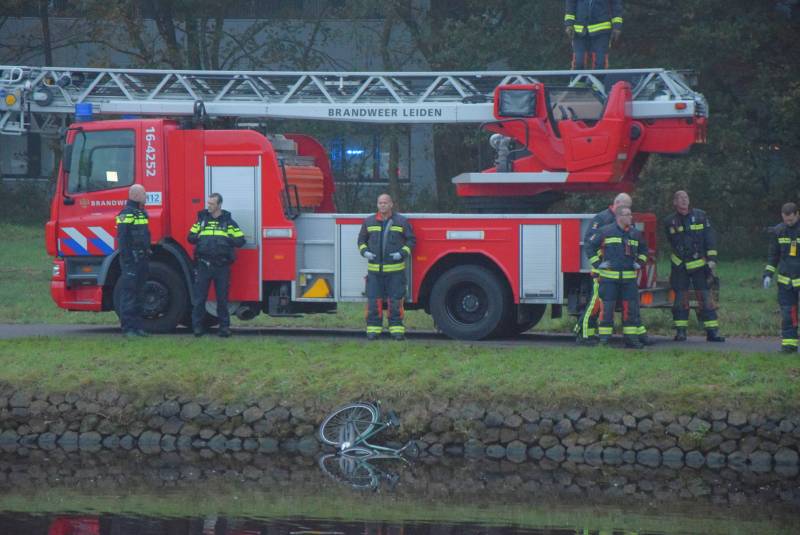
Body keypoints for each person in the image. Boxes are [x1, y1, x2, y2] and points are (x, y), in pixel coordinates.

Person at [577, 193, 648, 345]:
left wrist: (639, 263)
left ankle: (635, 336)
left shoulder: (631, 228)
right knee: (598, 306)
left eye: (629, 208)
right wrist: (598, 264)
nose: (629, 212)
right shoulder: (602, 219)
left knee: (629, 307)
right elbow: (590, 244)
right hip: (605, 273)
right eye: (626, 208)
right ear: (617, 204)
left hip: (625, 276)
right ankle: (584, 334)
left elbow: (640, 247)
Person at [664, 190, 725, 342]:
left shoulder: (700, 216)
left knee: (705, 298)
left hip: (699, 266)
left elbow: (709, 237)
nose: (684, 201)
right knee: (680, 300)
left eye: (686, 197)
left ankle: (712, 332)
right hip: (680, 267)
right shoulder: (670, 221)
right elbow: (672, 242)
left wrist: (712, 259)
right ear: (675, 203)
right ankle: (681, 332)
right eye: (680, 198)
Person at [357, 193, 416, 341]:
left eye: (385, 203)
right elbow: (361, 240)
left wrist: (402, 253)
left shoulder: (401, 221)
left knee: (395, 301)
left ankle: (396, 330)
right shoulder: (369, 222)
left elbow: (411, 241)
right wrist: (365, 252)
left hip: (395, 271)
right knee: (373, 301)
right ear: (377, 205)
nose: (382, 205)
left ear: (391, 204)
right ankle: (373, 330)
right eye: (380, 203)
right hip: (374, 272)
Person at [188, 193, 246, 338]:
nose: (209, 206)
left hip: (222, 266)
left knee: (222, 299)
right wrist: (198, 236)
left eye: (212, 204)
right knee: (200, 298)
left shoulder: (228, 222)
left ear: (219, 205)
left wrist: (227, 240)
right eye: (208, 203)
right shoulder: (201, 221)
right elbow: (190, 238)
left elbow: (240, 240)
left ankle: (224, 328)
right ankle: (197, 328)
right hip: (203, 265)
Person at [763, 202, 800, 353]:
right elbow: (773, 255)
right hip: (785, 281)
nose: (788, 223)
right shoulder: (778, 231)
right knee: (788, 313)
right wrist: (768, 275)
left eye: (791, 220)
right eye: (786, 220)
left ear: (797, 214)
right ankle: (789, 346)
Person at [115, 184, 150, 338]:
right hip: (131, 260)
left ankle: (138, 327)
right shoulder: (126, 213)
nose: (146, 196)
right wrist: (128, 259)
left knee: (139, 294)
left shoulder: (141, 213)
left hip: (142, 258)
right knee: (129, 294)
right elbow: (122, 239)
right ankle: (128, 328)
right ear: (135, 195)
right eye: (144, 193)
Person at [565, 0, 623, 69]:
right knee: (579, 63)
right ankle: (579, 79)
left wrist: (617, 26)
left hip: (602, 31)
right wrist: (569, 24)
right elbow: (570, 6)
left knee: (600, 64)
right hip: (579, 31)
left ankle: (597, 80)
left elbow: (616, 7)